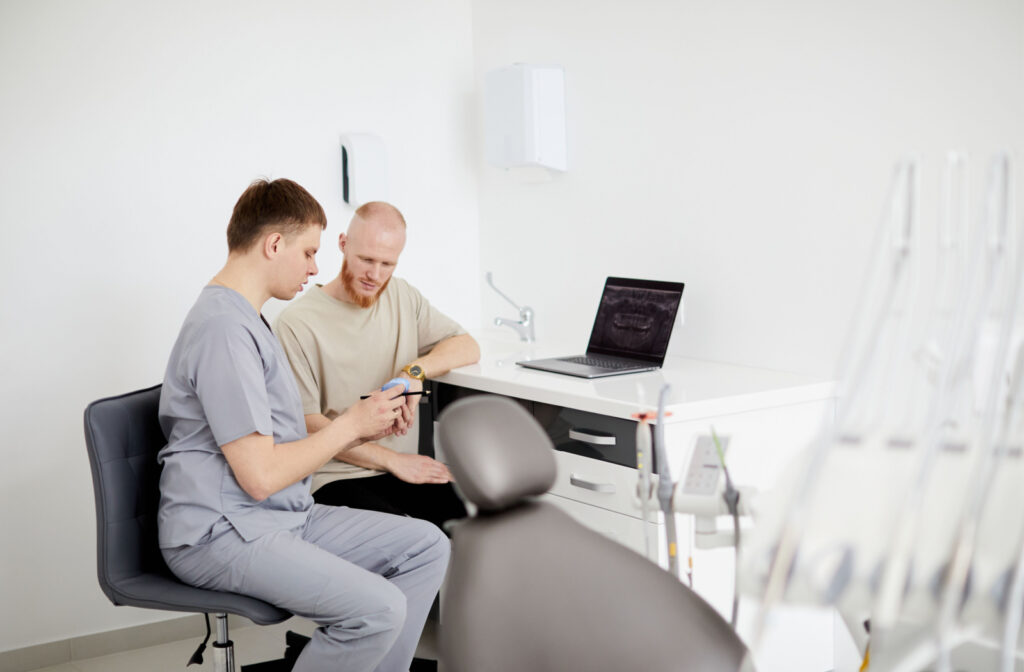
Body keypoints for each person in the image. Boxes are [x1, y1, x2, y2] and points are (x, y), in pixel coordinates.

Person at [157, 179, 449, 672]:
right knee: (379, 609)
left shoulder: (248, 320)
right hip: (221, 532)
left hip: (277, 515)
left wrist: (364, 426)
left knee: (427, 545)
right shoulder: (224, 331)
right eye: (309, 251)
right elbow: (261, 475)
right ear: (274, 245)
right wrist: (352, 423)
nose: (316, 267)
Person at [275, 201, 480, 530]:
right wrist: (394, 460)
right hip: (333, 476)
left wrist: (413, 373)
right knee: (413, 544)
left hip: (400, 471)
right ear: (343, 244)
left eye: (387, 264)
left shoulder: (401, 296)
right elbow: (306, 424)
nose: (375, 275)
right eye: (366, 260)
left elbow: (467, 346)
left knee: (469, 535)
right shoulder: (295, 324)